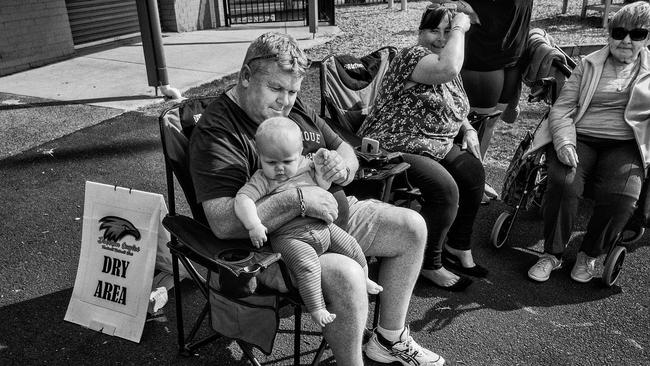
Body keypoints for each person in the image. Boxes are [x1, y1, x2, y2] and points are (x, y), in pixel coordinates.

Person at [189, 32, 446, 366]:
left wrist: (343, 168)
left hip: (332, 218)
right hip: (281, 245)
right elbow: (224, 223)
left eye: (293, 91)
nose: (285, 101)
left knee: (412, 226)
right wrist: (299, 201)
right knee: (348, 274)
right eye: (275, 88)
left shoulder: (292, 109)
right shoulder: (218, 133)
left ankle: (389, 339)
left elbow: (344, 149)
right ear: (245, 77)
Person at [358, 4, 487, 292]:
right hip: (394, 144)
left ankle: (458, 245)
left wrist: (467, 128)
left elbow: (452, 100)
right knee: (445, 189)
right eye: (433, 30)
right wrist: (459, 28)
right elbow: (447, 69)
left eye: (446, 31)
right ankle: (430, 263)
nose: (441, 38)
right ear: (419, 33)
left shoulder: (445, 59)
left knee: (473, 172)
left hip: (433, 143)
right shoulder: (413, 56)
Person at [526, 1, 650, 283]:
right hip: (581, 136)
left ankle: (589, 254)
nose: (626, 40)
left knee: (624, 196)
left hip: (626, 143)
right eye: (619, 32)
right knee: (563, 182)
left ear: (647, 38)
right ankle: (552, 254)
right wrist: (565, 142)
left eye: (637, 34)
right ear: (609, 34)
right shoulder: (588, 64)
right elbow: (562, 108)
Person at [234, 116, 382, 327]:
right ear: (260, 157)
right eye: (271, 162)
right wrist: (254, 225)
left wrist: (323, 171)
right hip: (290, 237)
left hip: (323, 226)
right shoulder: (262, 180)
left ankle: (365, 278)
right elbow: (243, 200)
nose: (280, 168)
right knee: (307, 267)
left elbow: (322, 185)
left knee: (352, 246)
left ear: (300, 153)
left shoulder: (306, 165)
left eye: (287, 161)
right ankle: (317, 308)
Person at [458, 0, 533, 201]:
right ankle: (467, 185)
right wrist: (467, 9)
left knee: (490, 123)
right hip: (483, 52)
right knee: (477, 125)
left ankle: (476, 178)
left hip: (513, 52)